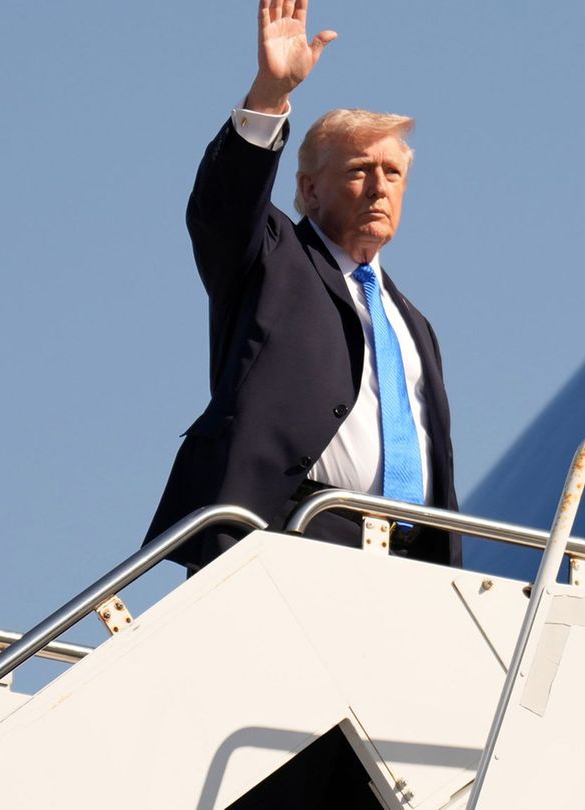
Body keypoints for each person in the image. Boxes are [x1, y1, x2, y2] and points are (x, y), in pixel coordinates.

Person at [144, 0, 461, 575]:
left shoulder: (414, 324)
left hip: (410, 561)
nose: (379, 187)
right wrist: (269, 95)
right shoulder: (273, 258)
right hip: (286, 534)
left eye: (392, 173)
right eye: (359, 170)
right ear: (311, 191)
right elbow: (224, 207)